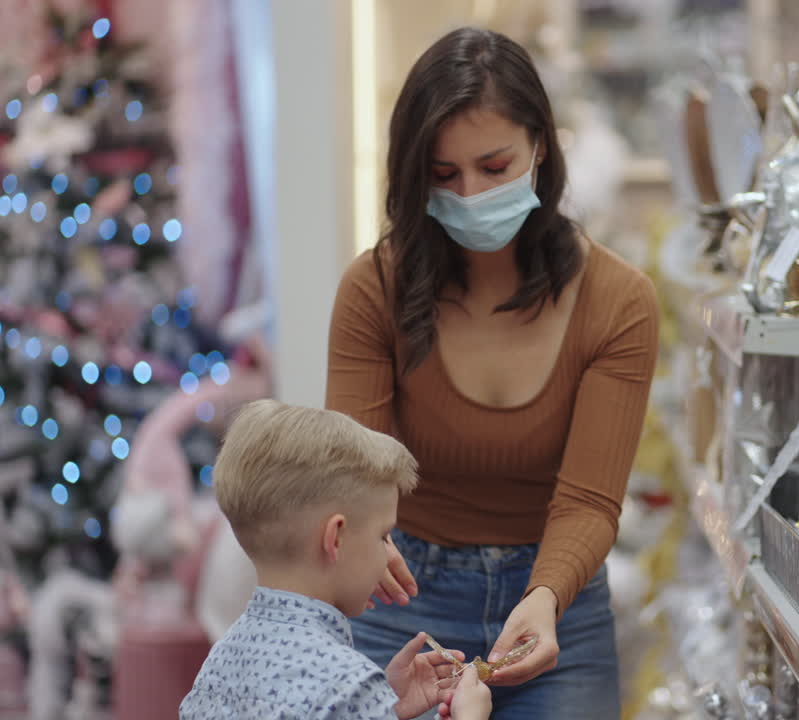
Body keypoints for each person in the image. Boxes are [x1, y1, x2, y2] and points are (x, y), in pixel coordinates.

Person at [325, 26, 659, 719]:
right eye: (443, 176)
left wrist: (545, 596)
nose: (470, 194)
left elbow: (591, 500)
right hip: (399, 607)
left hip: (555, 608)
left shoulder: (618, 302)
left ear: (541, 146)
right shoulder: (373, 291)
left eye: (494, 166)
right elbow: (355, 476)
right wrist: (365, 540)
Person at [179, 400, 492, 720]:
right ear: (336, 538)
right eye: (383, 536)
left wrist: (384, 704)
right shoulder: (348, 687)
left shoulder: (221, 658)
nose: (388, 553)